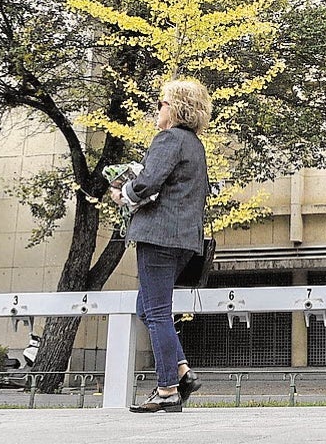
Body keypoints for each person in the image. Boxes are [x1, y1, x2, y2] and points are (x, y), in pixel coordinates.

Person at [109, 78, 211, 413]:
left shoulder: (169, 139)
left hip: (159, 236)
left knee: (155, 312)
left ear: (176, 109)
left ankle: (167, 389)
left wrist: (123, 193)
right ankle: (182, 372)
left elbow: (148, 182)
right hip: (184, 240)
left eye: (162, 103)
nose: (158, 108)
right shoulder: (195, 145)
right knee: (147, 308)